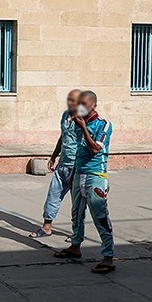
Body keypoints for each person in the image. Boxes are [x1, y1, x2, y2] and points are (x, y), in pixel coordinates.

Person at [54, 90, 115, 273]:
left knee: (100, 216)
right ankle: (75, 245)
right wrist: (73, 171)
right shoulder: (78, 124)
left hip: (96, 176)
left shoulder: (103, 124)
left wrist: (83, 128)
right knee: (76, 214)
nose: (80, 108)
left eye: (85, 105)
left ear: (94, 106)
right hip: (79, 174)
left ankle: (108, 257)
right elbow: (76, 149)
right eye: (79, 104)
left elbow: (95, 149)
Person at [30, 89, 80, 238]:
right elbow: (62, 136)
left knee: (76, 202)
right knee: (53, 194)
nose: (71, 103)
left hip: (76, 166)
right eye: (69, 100)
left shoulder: (85, 119)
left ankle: (77, 232)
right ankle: (46, 227)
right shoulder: (65, 115)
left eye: (74, 100)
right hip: (62, 164)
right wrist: (53, 156)